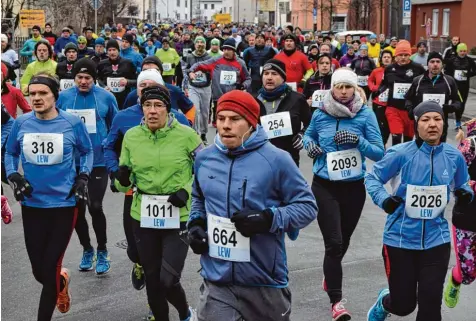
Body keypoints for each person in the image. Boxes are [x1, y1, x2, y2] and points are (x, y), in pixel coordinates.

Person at [187, 89, 317, 321]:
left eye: (235, 119)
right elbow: (198, 197)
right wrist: (195, 223)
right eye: (221, 118)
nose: (225, 125)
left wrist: (268, 218)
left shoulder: (277, 159)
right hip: (217, 279)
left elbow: (307, 207)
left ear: (252, 123)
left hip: (264, 279)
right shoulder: (204, 158)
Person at [365, 101, 473, 321]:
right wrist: (384, 200)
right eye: (425, 120)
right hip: (400, 240)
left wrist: (464, 194)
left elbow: (463, 184)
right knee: (403, 305)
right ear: (416, 124)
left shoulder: (454, 157)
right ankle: (386, 301)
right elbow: (373, 177)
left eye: (437, 119)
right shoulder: (400, 153)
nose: (432, 124)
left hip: (436, 240)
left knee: (431, 305)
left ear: (443, 123)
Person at [5, 73, 93, 321]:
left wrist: (83, 177)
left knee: (50, 266)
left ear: (55, 95)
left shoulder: (72, 123)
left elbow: (87, 152)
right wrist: (14, 175)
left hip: (64, 204)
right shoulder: (21, 124)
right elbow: (10, 153)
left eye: (42, 93)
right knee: (40, 273)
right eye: (32, 93)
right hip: (32, 204)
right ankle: (60, 282)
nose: (36, 98)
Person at [103, 70, 191, 310]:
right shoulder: (131, 136)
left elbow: (204, 171)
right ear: (141, 108)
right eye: (147, 105)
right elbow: (124, 184)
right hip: (142, 215)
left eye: (158, 105)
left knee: (167, 279)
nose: (152, 110)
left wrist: (186, 191)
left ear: (167, 108)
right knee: (152, 280)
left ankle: (184, 313)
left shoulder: (187, 134)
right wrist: (120, 177)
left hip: (177, 215)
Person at [303, 68, 384, 321]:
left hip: (353, 187)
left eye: (348, 87)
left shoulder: (365, 114)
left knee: (343, 242)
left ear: (354, 89)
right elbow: (308, 136)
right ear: (332, 88)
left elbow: (378, 152)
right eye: (339, 87)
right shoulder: (320, 113)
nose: (344, 91)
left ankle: (331, 272)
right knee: (334, 243)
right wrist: (311, 147)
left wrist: (357, 140)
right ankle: (336, 302)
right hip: (324, 185)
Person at [57, 58, 118, 274]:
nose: (83, 81)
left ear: (94, 79)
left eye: (88, 78)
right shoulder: (64, 98)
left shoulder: (106, 97)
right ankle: (87, 249)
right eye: (79, 77)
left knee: (95, 206)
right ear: (73, 78)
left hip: (98, 161)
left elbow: (115, 127)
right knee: (76, 209)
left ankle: (102, 250)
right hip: (71, 162)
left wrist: (113, 158)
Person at [444, 118, 476, 308]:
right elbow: (450, 176)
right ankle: (456, 279)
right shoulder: (470, 145)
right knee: (468, 274)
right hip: (469, 218)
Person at [256, 59, 311, 167]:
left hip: (289, 159)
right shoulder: (253, 100)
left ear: (283, 78)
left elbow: (311, 123)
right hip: (260, 159)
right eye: (266, 74)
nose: (269, 77)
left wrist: (303, 135)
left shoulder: (297, 99)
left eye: (274, 74)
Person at [188, 38, 251, 127]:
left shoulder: (240, 63)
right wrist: (191, 71)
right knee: (220, 124)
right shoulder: (216, 60)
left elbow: (248, 79)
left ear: (233, 51)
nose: (226, 52)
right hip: (219, 98)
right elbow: (199, 65)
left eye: (228, 49)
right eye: (224, 49)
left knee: (231, 123)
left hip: (233, 98)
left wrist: (244, 85)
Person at [405, 51, 462, 143]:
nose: (435, 64)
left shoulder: (449, 81)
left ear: (442, 64)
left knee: (438, 152)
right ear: (427, 64)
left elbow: (458, 102)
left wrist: (450, 108)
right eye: (432, 62)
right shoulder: (417, 80)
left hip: (440, 124)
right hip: (422, 124)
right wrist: (411, 111)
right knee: (422, 151)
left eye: (438, 61)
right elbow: (408, 98)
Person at [377, 40, 425, 146]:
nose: (403, 57)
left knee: (408, 141)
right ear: (396, 55)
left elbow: (424, 85)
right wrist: (379, 92)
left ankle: (405, 160)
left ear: (410, 55)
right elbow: (384, 84)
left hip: (411, 110)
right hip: (393, 109)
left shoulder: (418, 68)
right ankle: (396, 160)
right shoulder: (389, 69)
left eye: (406, 55)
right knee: (396, 138)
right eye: (400, 55)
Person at [123, 56, 196, 125]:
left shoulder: (173, 90)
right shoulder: (133, 96)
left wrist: (187, 124)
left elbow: (190, 108)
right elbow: (125, 116)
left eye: (155, 70)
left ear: (161, 72)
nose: (150, 73)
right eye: (145, 70)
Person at [182, 36, 212, 143]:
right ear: (194, 44)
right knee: (196, 110)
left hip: (206, 87)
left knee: (204, 112)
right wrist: (185, 85)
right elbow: (184, 71)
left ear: (205, 45)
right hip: (193, 86)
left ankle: (203, 133)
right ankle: (196, 134)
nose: (199, 44)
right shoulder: (189, 56)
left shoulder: (209, 57)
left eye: (202, 42)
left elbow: (213, 70)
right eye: (197, 42)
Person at [97, 39, 136, 109]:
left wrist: (127, 82)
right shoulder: (102, 64)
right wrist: (103, 87)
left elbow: (136, 81)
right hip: (108, 99)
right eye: (109, 50)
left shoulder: (128, 63)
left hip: (124, 100)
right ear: (107, 52)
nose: (112, 52)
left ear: (118, 50)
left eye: (114, 50)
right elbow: (98, 79)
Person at [444, 43, 476, 130]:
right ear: (458, 51)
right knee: (454, 103)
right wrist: (451, 78)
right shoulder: (452, 60)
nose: (462, 53)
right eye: (461, 51)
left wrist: (468, 74)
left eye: (464, 51)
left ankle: (458, 121)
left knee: (462, 104)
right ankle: (446, 120)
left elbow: (475, 70)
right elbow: (447, 71)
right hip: (454, 86)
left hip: (464, 86)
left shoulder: (469, 60)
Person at [368, 50, 393, 146]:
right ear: (381, 59)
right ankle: (381, 144)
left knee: (387, 125)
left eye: (388, 57)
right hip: (378, 102)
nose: (386, 59)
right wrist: (374, 88)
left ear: (392, 59)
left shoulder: (394, 71)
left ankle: (384, 142)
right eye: (384, 57)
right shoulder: (376, 71)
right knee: (378, 124)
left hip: (391, 103)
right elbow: (370, 81)